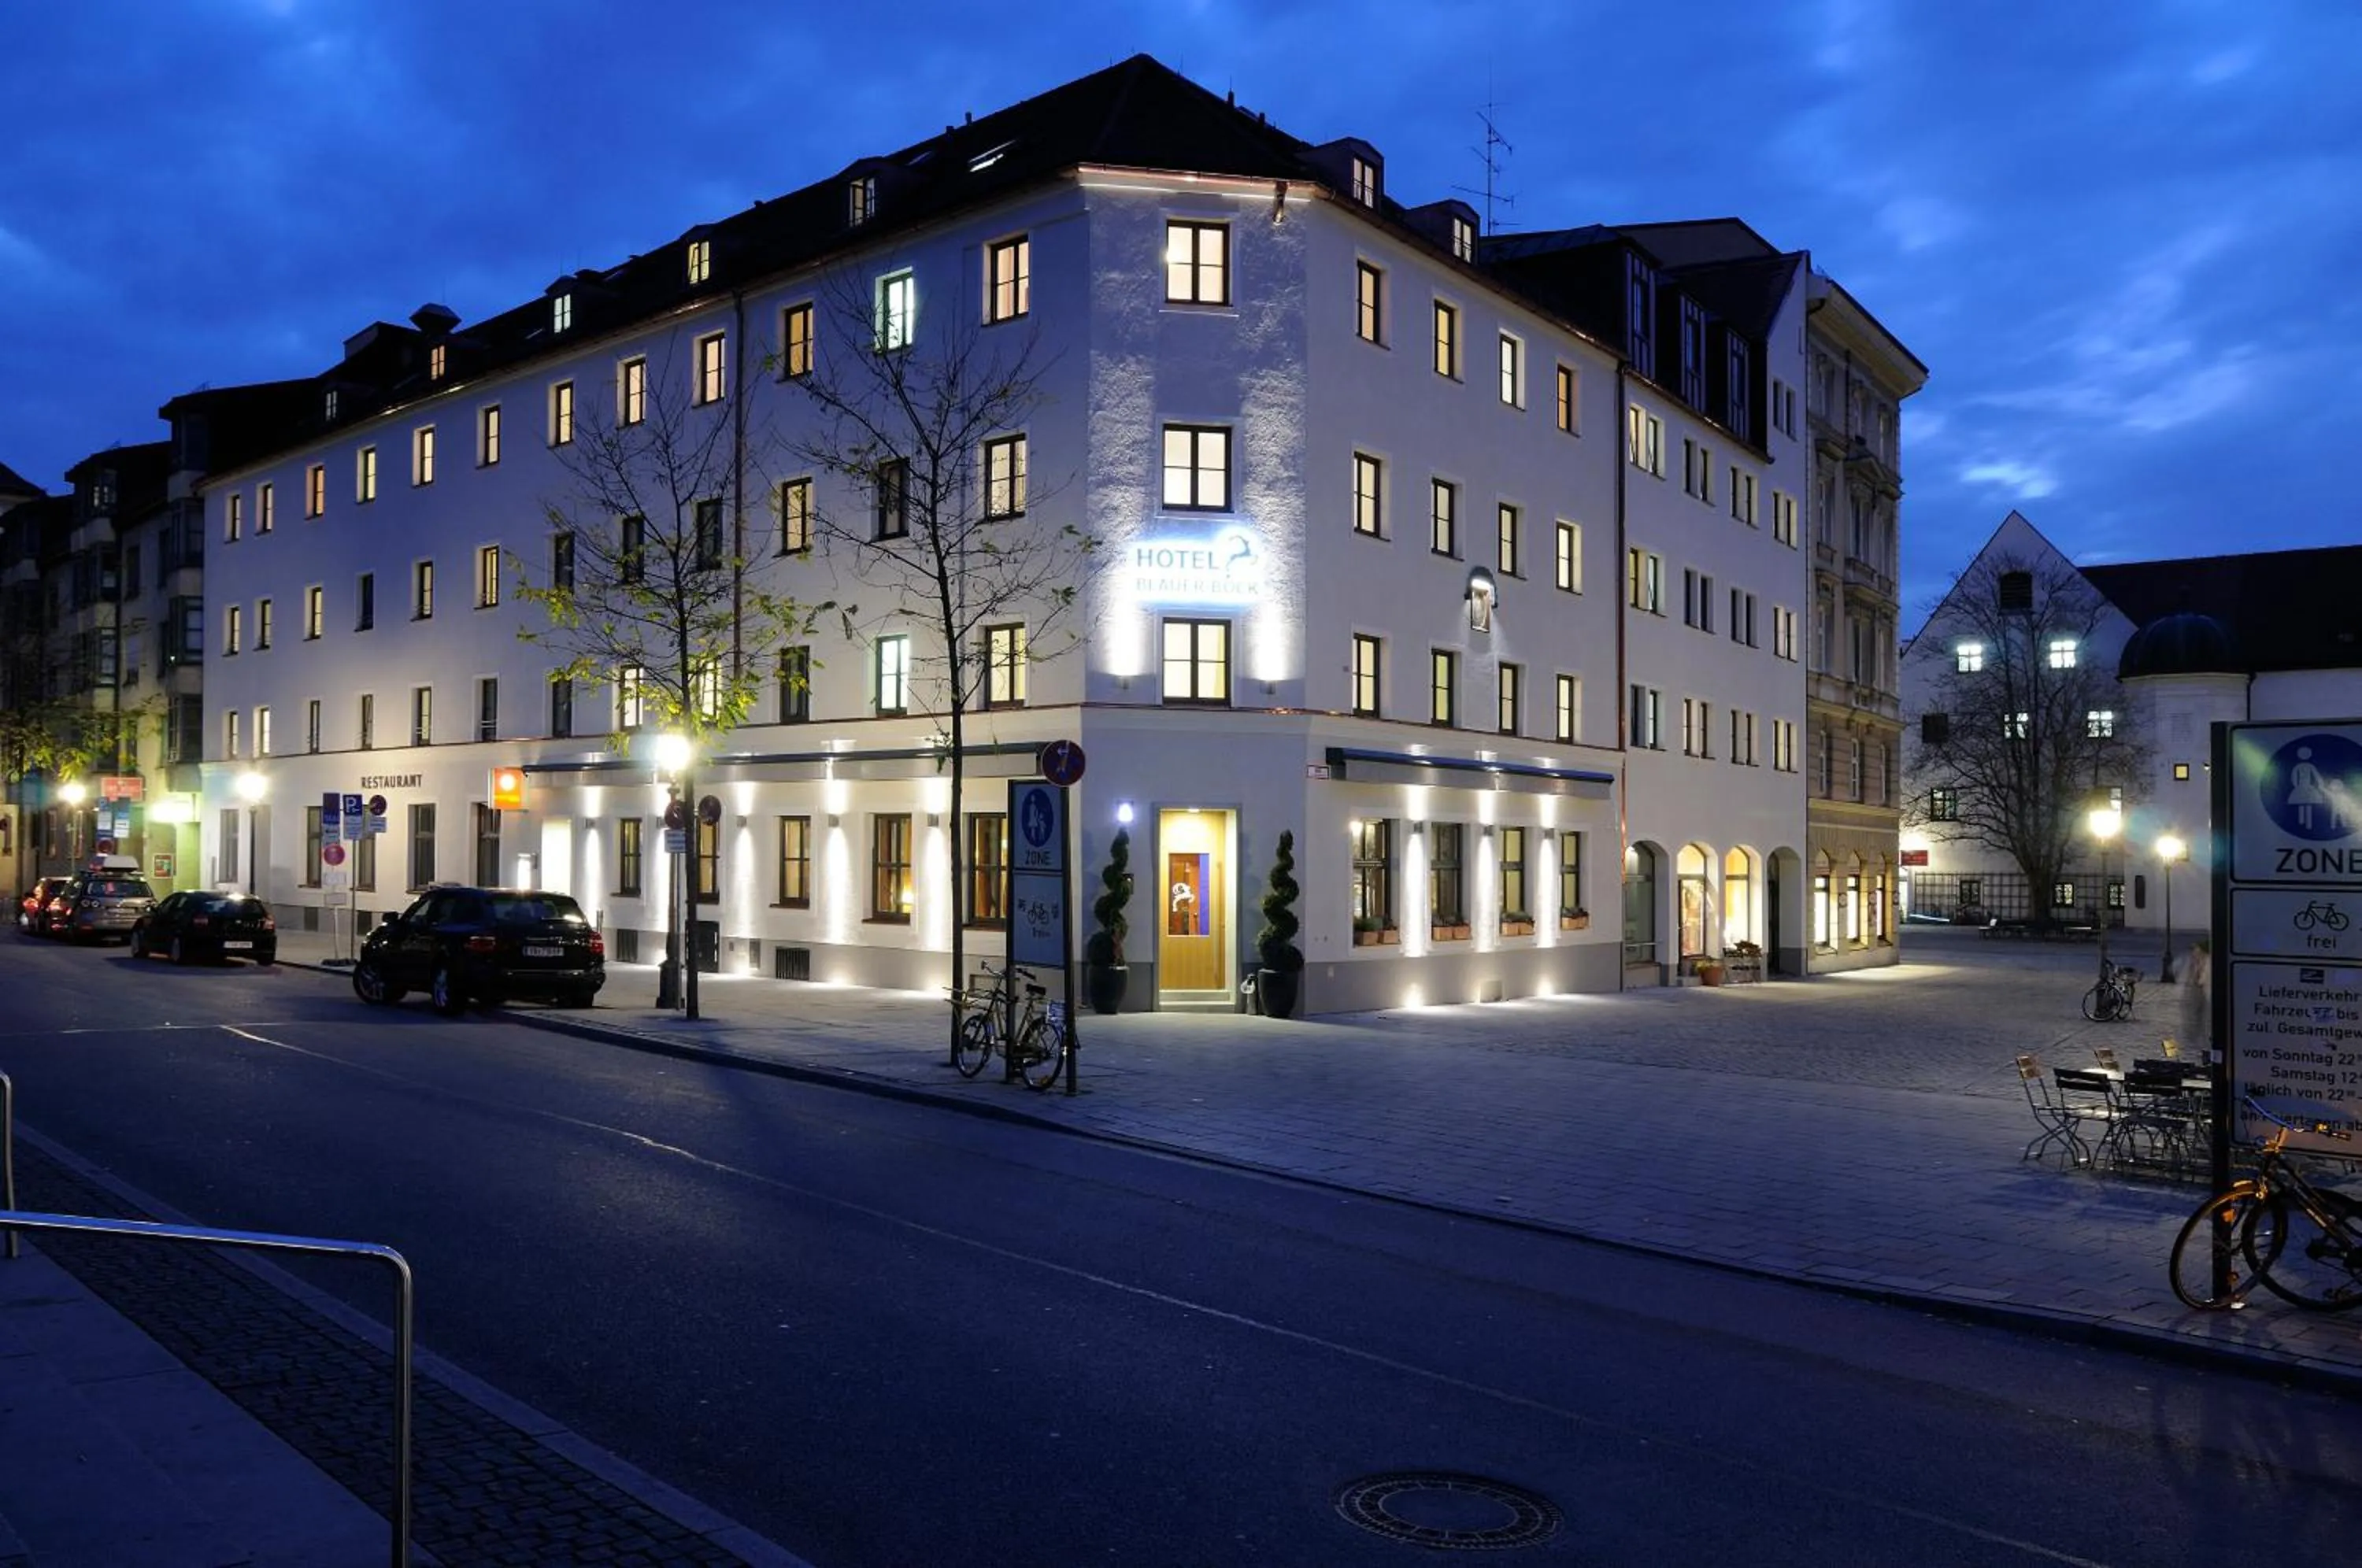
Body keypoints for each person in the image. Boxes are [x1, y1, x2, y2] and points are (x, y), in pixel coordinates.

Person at [2171, 938, 2212, 1060]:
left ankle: (2202, 1048)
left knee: (2202, 1022)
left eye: (2197, 950)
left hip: (2200, 992)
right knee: (2188, 1022)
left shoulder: (2207, 961)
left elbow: (2204, 977)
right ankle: (2176, 1052)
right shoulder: (2189, 961)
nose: (2195, 952)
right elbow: (2175, 969)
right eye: (2194, 950)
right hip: (2190, 992)